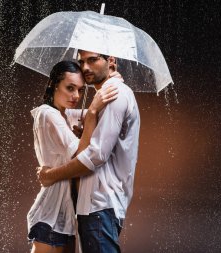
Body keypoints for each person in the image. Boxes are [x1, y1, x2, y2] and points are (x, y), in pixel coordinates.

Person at [37, 50, 140, 253]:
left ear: (111, 61)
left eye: (92, 60)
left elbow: (96, 155)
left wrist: (50, 175)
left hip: (99, 204)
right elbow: (64, 115)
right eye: (81, 61)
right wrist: (89, 124)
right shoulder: (103, 96)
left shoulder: (113, 94)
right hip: (94, 205)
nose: (85, 68)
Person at [27, 60, 119, 253]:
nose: (76, 96)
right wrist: (92, 112)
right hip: (51, 213)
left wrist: (110, 80)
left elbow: (103, 113)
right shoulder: (48, 114)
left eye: (80, 90)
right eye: (70, 88)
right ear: (53, 84)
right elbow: (82, 155)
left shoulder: (64, 115)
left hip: (64, 214)